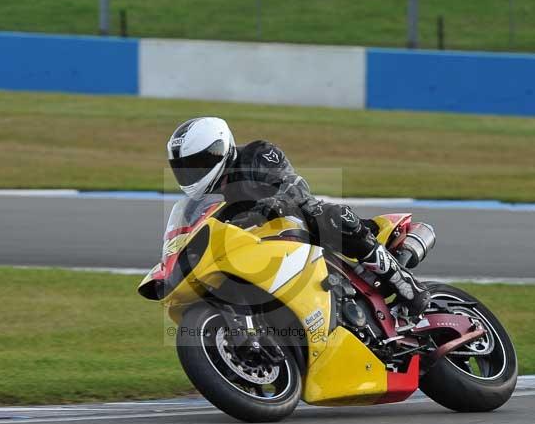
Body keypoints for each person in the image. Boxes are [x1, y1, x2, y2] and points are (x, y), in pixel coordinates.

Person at [166, 116, 430, 316]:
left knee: (328, 215)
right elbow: (186, 235)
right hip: (251, 249)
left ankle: (402, 281)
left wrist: (272, 203)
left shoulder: (258, 154)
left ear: (219, 150)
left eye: (198, 163)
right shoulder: (195, 203)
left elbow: (295, 186)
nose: (190, 174)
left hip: (293, 225)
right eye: (183, 168)